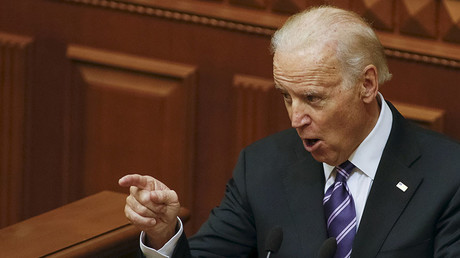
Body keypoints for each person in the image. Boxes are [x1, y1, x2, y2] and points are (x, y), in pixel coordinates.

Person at [119, 6, 460, 257]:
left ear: (366, 85)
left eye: (313, 98)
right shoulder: (262, 166)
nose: (297, 118)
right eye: (286, 96)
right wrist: (164, 235)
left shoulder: (448, 177)